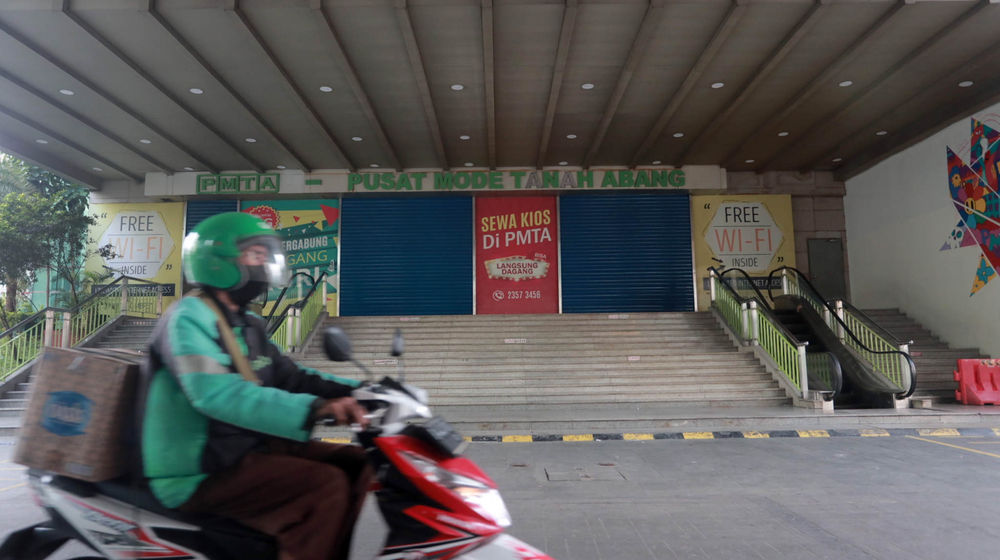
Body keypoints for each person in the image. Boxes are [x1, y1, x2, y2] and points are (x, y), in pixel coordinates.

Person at [140, 211, 373, 560]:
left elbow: (291, 377)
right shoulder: (187, 318)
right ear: (218, 262)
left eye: (266, 255)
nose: (264, 264)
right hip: (199, 469)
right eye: (255, 254)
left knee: (361, 463)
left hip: (246, 451)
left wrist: (362, 391)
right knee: (324, 487)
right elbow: (216, 394)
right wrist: (317, 408)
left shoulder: (248, 323)